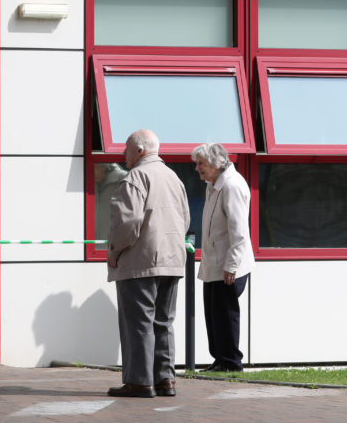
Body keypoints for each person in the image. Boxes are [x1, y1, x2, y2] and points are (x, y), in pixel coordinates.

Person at [107, 129, 190, 398]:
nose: (124, 155)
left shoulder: (136, 177)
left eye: (127, 149)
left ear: (140, 150)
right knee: (163, 322)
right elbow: (185, 219)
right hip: (172, 259)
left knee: (138, 323)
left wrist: (114, 250)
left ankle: (140, 382)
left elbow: (127, 223)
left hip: (140, 261)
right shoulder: (174, 177)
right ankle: (165, 380)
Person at [192, 143, 255, 373]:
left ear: (218, 163)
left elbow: (239, 232)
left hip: (228, 264)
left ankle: (230, 362)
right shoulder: (214, 183)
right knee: (213, 313)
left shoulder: (231, 185)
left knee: (225, 313)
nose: (197, 168)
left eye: (201, 164)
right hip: (214, 262)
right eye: (197, 163)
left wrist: (231, 265)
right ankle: (221, 359)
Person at [94, 163, 127, 250]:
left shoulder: (123, 178)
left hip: (114, 244)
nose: (91, 172)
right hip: (93, 244)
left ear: (102, 168)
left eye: (93, 168)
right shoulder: (90, 180)